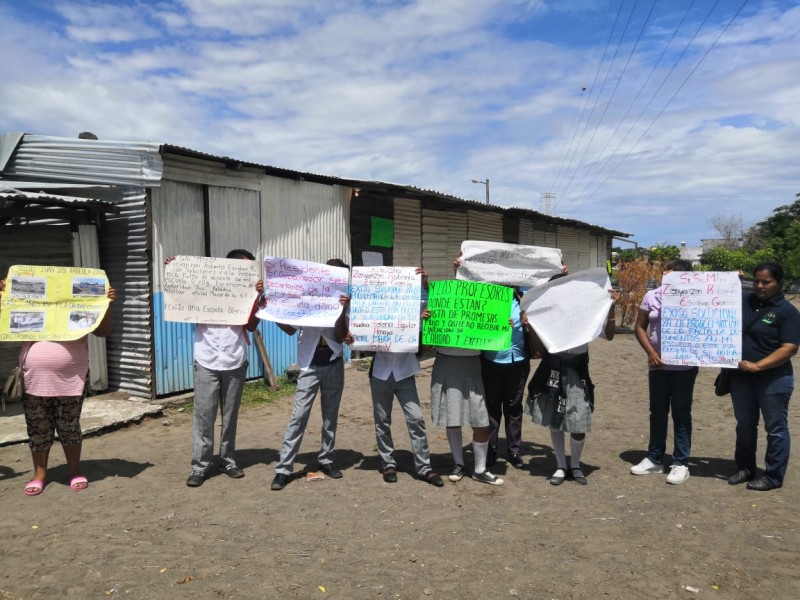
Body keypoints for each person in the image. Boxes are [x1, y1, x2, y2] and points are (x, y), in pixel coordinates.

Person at [0, 276, 115, 496]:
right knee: (37, 428)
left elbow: (102, 331)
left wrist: (106, 305)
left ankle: (75, 471)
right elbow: (6, 322)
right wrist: (5, 296)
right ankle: (39, 474)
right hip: (34, 379)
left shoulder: (80, 303)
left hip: (72, 378)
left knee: (69, 426)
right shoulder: (28, 302)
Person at [167, 250, 264, 488]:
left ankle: (227, 460)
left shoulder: (253, 293)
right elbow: (182, 300)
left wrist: (255, 298)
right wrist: (175, 270)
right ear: (226, 268)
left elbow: (251, 326)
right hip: (206, 358)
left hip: (235, 358)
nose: (246, 274)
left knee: (230, 416)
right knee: (204, 415)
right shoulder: (205, 284)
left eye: (249, 269)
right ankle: (200, 466)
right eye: (242, 268)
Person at [526, 273, 617, 485]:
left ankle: (575, 465)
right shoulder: (544, 314)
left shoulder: (587, 311)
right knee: (555, 419)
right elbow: (538, 351)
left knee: (579, 421)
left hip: (577, 371)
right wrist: (531, 327)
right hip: (553, 369)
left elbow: (609, 335)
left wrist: (611, 308)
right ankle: (560, 465)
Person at [271, 259, 351, 491]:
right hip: (308, 366)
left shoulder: (345, 302)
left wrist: (342, 309)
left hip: (334, 361)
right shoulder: (307, 297)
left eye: (342, 279)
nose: (340, 283)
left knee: (330, 416)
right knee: (298, 417)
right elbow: (288, 329)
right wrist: (272, 312)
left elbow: (340, 336)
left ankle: (326, 460)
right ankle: (284, 469)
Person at [366, 267, 444, 487]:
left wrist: (424, 284)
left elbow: (432, 307)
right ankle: (388, 463)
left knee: (416, 418)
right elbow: (361, 330)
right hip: (380, 371)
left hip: (405, 371)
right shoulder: (376, 309)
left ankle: (424, 467)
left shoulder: (415, 307)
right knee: (382, 420)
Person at [728, 262, 800, 491]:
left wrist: (758, 366)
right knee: (745, 425)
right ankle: (746, 468)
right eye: (757, 280)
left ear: (778, 283)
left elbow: (789, 348)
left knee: (776, 428)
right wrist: (729, 279)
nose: (760, 285)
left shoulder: (788, 312)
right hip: (741, 377)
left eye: (766, 281)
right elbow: (716, 297)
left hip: (774, 379)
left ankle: (773, 476)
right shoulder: (744, 301)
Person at [632, 259, 698, 485]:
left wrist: (731, 281)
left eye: (670, 275)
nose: (664, 277)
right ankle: (655, 458)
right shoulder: (652, 296)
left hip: (684, 367)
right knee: (657, 412)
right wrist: (650, 352)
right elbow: (639, 326)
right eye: (664, 274)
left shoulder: (697, 297)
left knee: (681, 413)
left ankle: (680, 462)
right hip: (658, 366)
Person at [481, 288, 530, 469]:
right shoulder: (486, 297)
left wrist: (527, 323)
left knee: (514, 407)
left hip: (518, 360)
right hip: (492, 360)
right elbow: (474, 322)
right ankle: (490, 450)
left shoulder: (524, 298)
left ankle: (514, 451)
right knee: (492, 408)